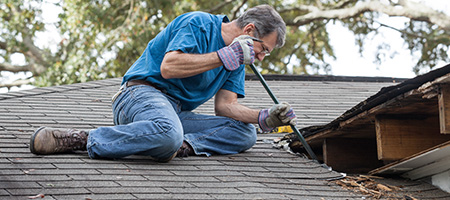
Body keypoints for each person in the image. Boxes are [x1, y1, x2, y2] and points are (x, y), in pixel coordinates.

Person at [29, 4, 297, 162]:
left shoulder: (238, 60)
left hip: (175, 113)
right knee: (168, 132)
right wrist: (221, 57)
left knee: (245, 133)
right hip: (139, 95)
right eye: (263, 49)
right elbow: (169, 68)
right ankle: (81, 139)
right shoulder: (199, 23)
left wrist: (265, 117)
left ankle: (172, 144)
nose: (260, 58)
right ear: (249, 30)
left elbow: (226, 107)